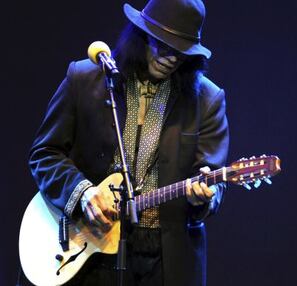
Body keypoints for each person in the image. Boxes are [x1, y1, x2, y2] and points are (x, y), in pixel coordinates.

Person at [28, 0, 229, 285]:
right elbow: (44, 154)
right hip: (89, 248)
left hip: (166, 261)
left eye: (180, 51)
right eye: (162, 44)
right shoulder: (85, 78)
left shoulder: (207, 100)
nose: (170, 57)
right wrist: (83, 193)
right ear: (141, 35)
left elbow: (211, 180)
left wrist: (204, 196)